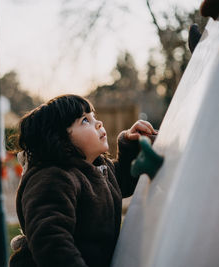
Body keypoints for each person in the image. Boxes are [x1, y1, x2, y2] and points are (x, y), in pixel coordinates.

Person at [10, 94, 157, 267]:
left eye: (93, 116)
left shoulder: (97, 169)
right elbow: (51, 241)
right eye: (85, 120)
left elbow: (123, 181)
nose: (98, 123)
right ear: (60, 140)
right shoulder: (52, 179)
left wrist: (131, 144)